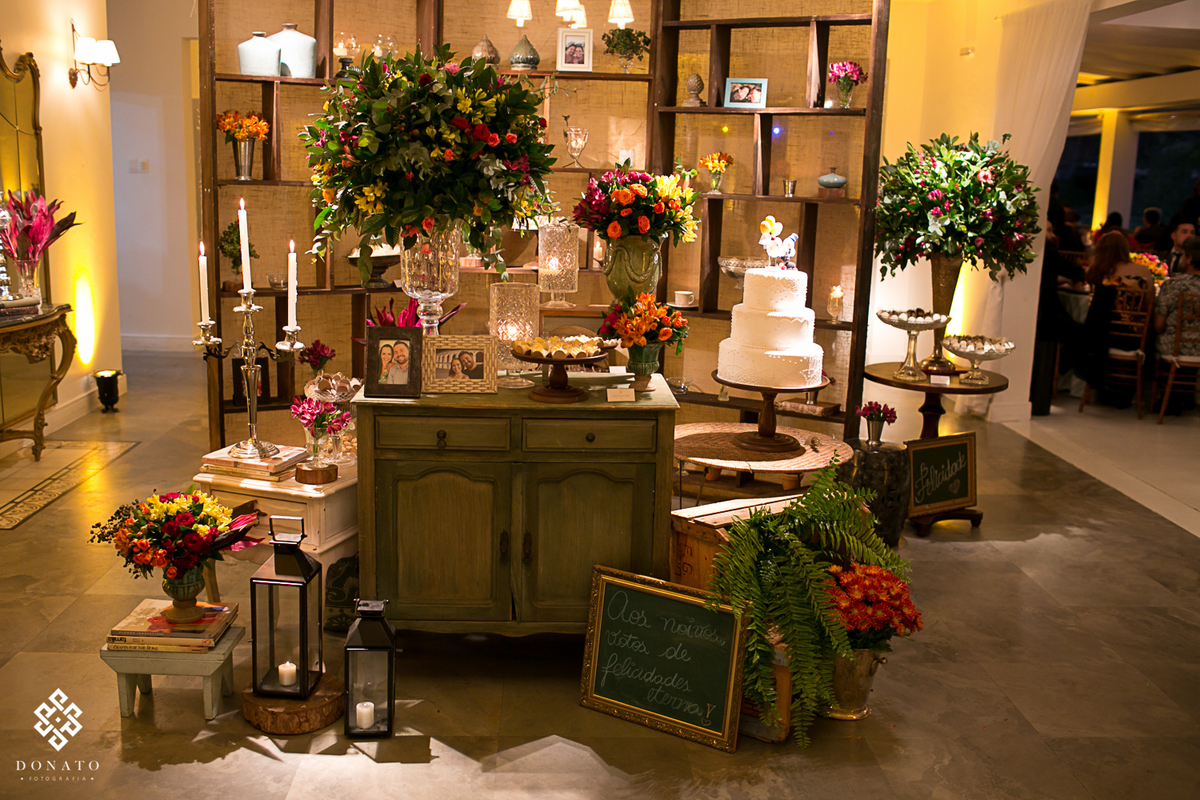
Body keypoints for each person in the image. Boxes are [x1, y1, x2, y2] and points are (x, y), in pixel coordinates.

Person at [1154, 235, 1200, 359]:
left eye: (1183, 254)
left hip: (1173, 348)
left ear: (1190, 259)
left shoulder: (1173, 285)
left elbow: (1158, 325)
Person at [1085, 230, 1154, 291]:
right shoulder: (1143, 271)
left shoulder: (1093, 273)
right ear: (1125, 249)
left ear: (1100, 251)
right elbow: (1150, 299)